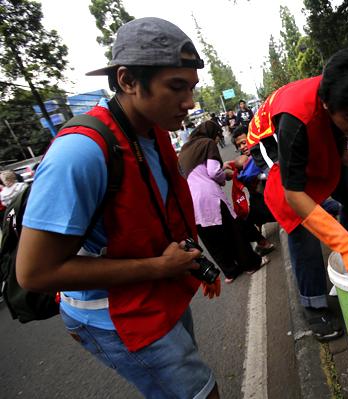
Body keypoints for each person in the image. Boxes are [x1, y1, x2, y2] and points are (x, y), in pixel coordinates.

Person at [16, 17, 221, 399]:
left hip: (157, 289)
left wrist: (195, 264)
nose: (190, 103)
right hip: (115, 315)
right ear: (127, 81)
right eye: (176, 87)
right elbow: (34, 272)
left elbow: (159, 213)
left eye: (192, 88)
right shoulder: (79, 152)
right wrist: (159, 267)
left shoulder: (153, 130)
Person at [247, 47, 348, 341]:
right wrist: (344, 245)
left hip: (313, 134)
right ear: (327, 103)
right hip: (272, 146)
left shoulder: (344, 97)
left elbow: (333, 131)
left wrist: (343, 154)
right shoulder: (297, 120)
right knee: (302, 225)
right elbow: (295, 194)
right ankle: (313, 303)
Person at [179, 121, 269, 284]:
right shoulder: (207, 143)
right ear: (213, 135)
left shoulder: (186, 149)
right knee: (234, 230)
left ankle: (230, 272)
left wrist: (222, 166)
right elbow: (214, 172)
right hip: (209, 196)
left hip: (190, 201)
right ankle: (250, 264)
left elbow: (200, 171)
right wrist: (224, 176)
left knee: (211, 238)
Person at [229, 126, 277, 255]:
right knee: (242, 221)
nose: (242, 147)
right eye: (239, 145)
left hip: (278, 202)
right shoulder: (243, 161)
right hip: (262, 206)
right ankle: (263, 244)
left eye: (244, 142)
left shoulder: (265, 151)